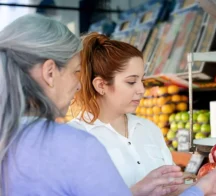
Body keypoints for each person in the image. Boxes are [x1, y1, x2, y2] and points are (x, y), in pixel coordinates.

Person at [0, 14, 200, 196]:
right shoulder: (76, 142)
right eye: (74, 72)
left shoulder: (10, 138)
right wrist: (201, 189)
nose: (78, 84)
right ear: (50, 72)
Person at [68, 32, 216, 194]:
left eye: (142, 80)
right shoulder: (74, 138)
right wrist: (134, 192)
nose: (141, 90)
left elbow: (175, 186)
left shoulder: (149, 130)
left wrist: (209, 178)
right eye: (131, 82)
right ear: (101, 85)